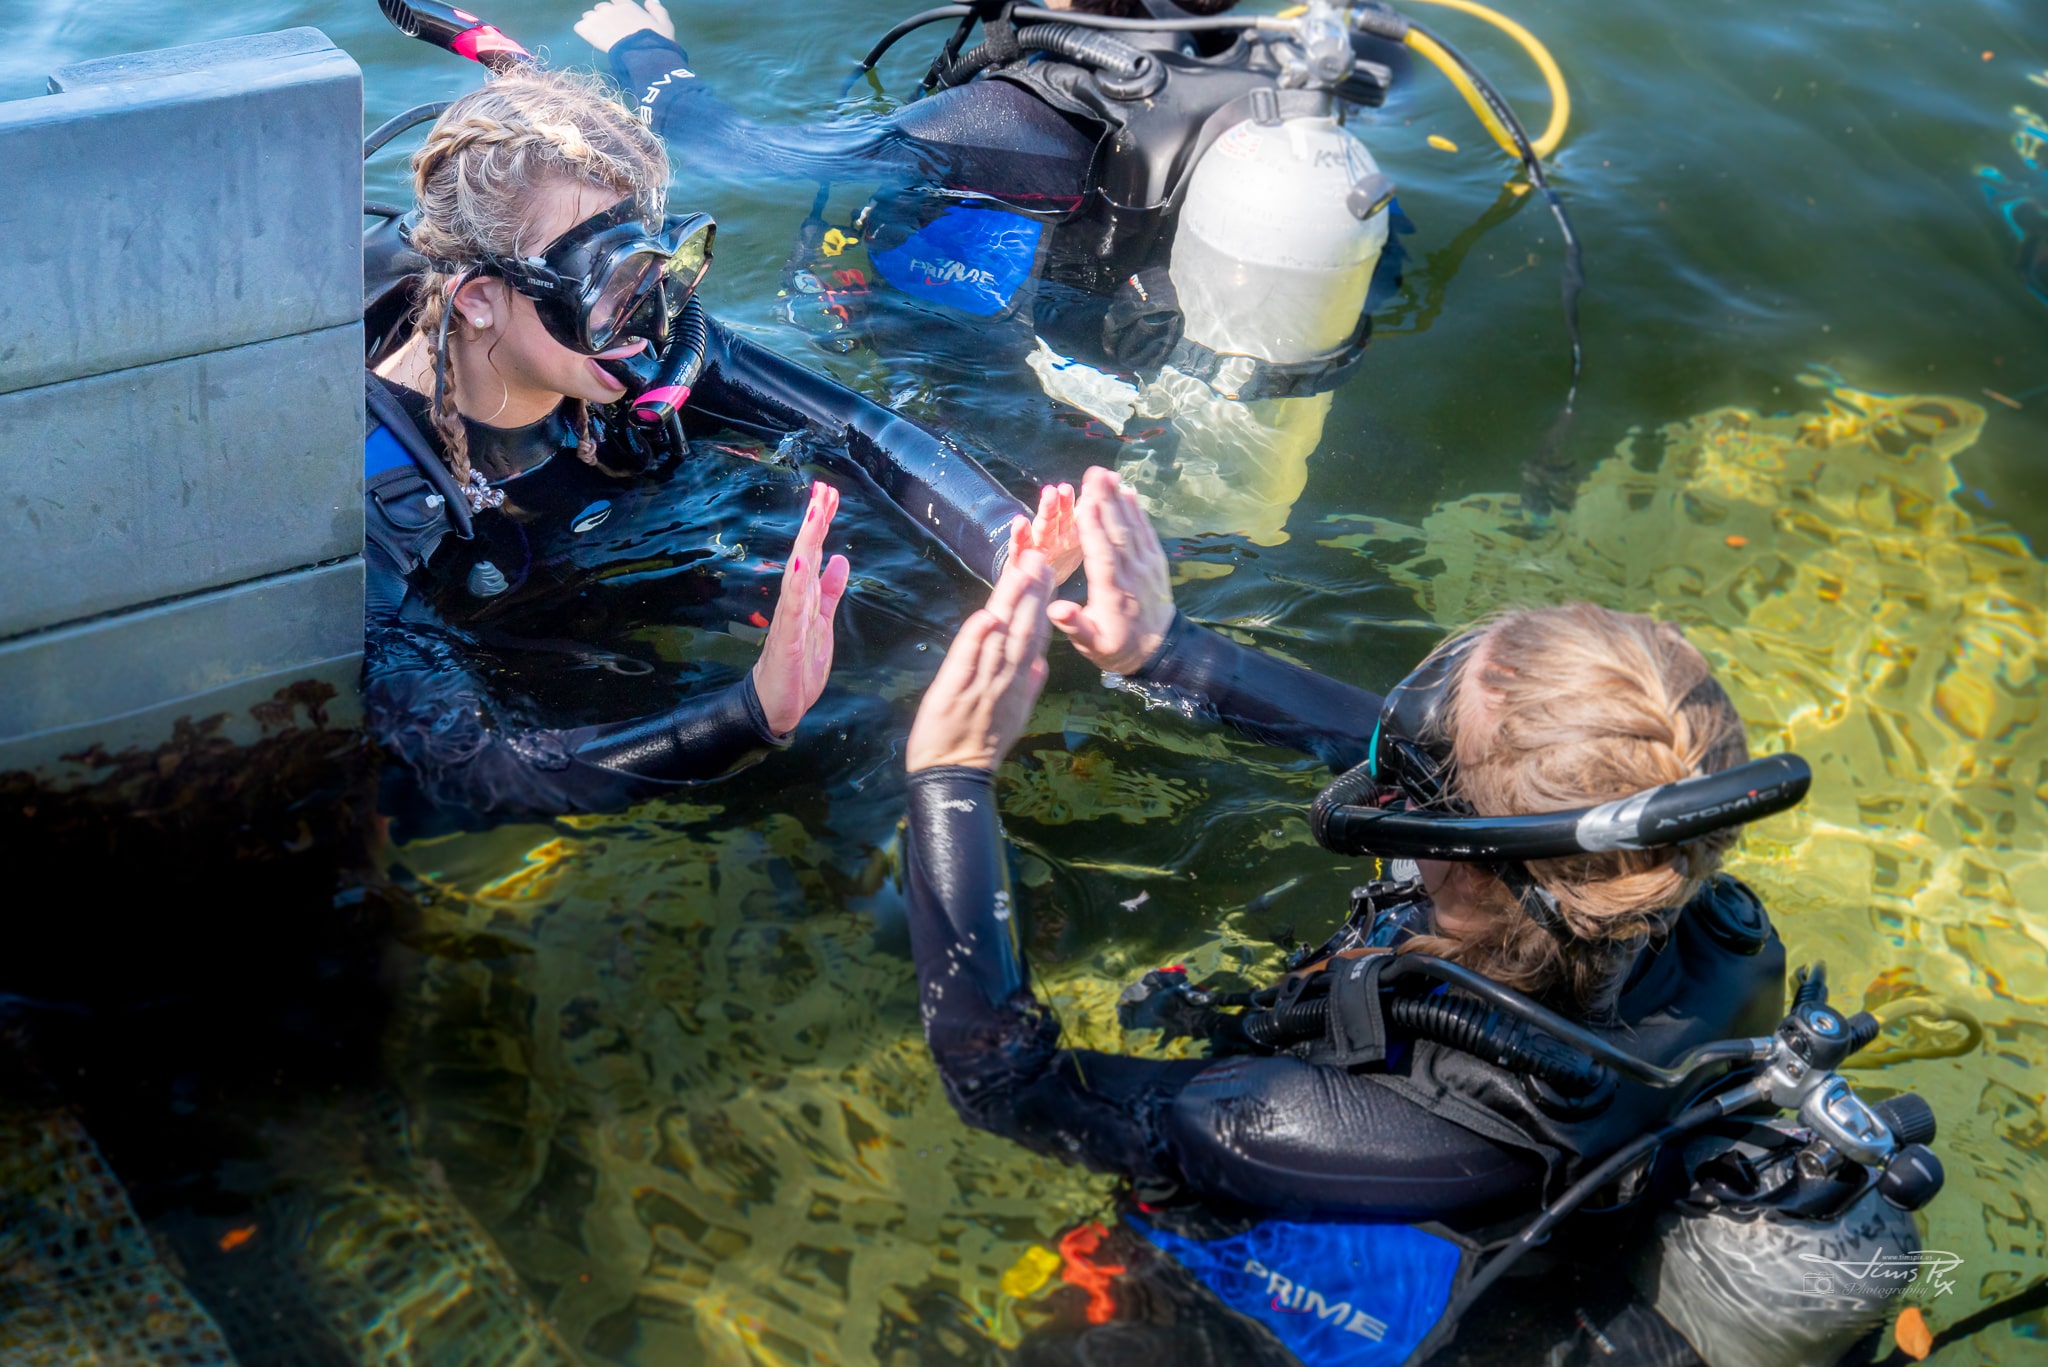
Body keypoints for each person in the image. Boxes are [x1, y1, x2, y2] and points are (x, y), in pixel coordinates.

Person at [897, 468, 1819, 1359]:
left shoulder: (1289, 1127)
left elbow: (1005, 1080)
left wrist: (949, 777)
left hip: (1235, 1315)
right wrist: (1168, 650)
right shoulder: (1697, 917)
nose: (1392, 739)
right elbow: (1455, 779)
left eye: (1426, 728)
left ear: (1453, 844)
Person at [365, 66, 1079, 831]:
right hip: (529, 678)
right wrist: (748, 716)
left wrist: (1007, 539)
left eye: (651, 262)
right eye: (606, 280)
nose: (643, 314)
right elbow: (470, 765)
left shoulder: (633, 348)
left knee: (1000, 633)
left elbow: (859, 431)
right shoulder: (370, 498)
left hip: (645, 569)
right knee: (856, 753)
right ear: (477, 298)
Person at [576, 0, 1413, 542]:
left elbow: (738, 152)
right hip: (1185, 409)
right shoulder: (1261, 100)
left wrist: (645, 50)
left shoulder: (989, 121)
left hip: (1030, 457)